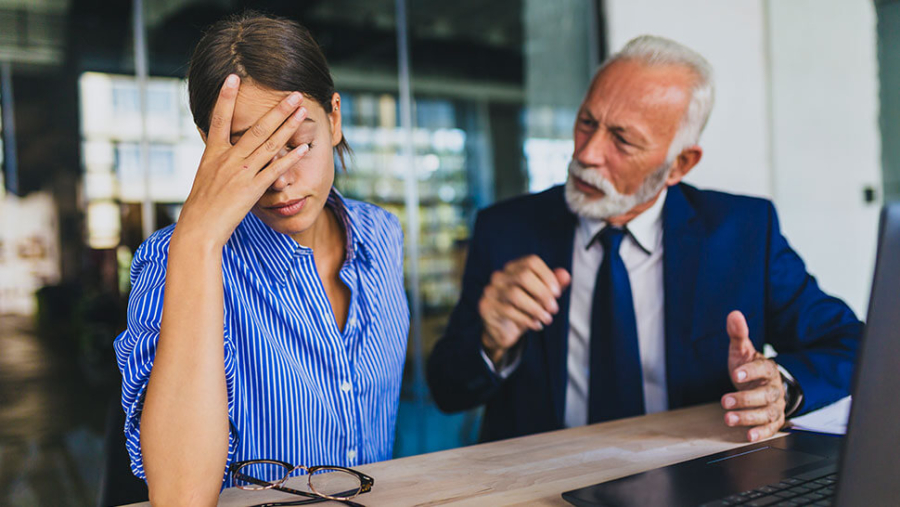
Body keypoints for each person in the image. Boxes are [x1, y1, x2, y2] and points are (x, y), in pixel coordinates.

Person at [427, 35, 861, 445]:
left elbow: (852, 343)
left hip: (693, 477)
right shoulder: (507, 228)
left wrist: (780, 387)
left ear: (679, 165)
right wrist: (491, 343)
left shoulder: (744, 232)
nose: (587, 153)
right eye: (586, 122)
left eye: (622, 139)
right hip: (538, 481)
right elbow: (448, 391)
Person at [113, 13, 409, 504]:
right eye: (250, 151)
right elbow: (181, 497)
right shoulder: (173, 260)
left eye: (296, 143)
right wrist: (198, 243)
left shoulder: (382, 235)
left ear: (334, 118)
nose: (280, 179)